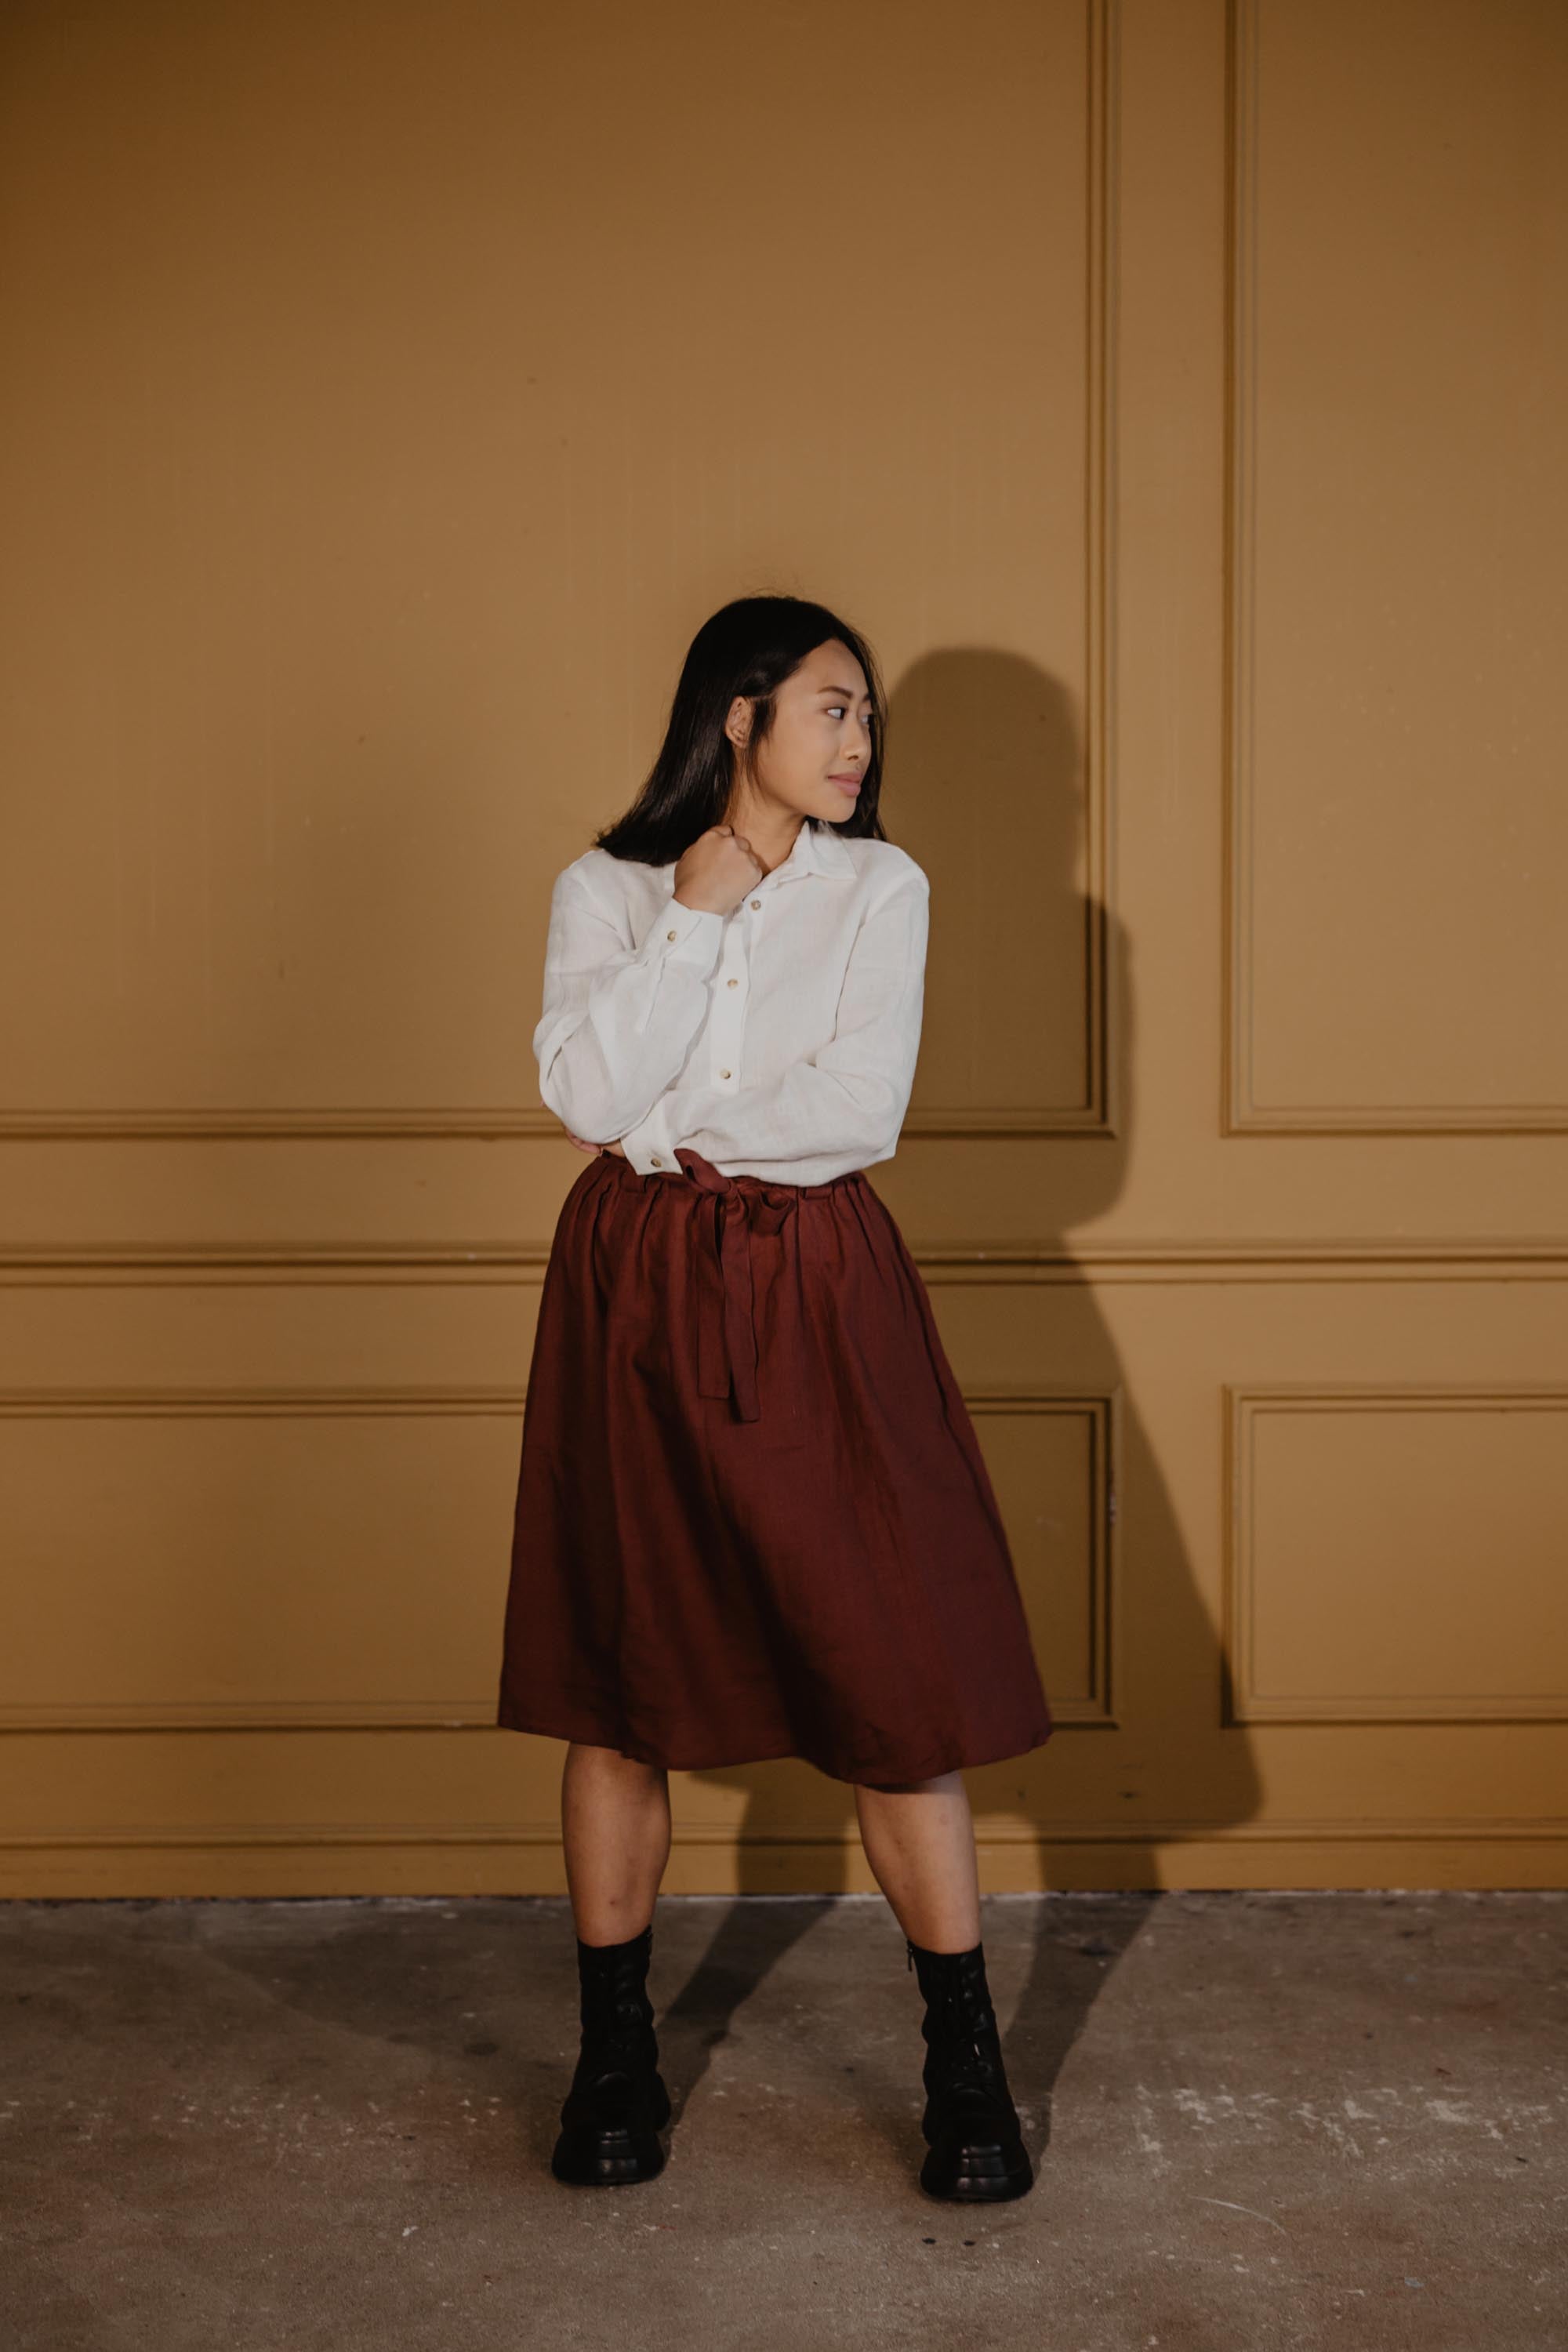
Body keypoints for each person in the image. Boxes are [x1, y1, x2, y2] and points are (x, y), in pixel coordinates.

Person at [495, 593, 1054, 2202]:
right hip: (632, 1290)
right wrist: (699, 911)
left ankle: (963, 2059)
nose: (859, 742)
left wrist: (679, 1127)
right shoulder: (602, 891)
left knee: (886, 1667)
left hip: (810, 1281)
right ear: (736, 715)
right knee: (621, 1669)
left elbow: (855, 1112)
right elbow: (587, 1097)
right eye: (832, 708)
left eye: (868, 717)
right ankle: (615, 2051)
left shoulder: (883, 886)